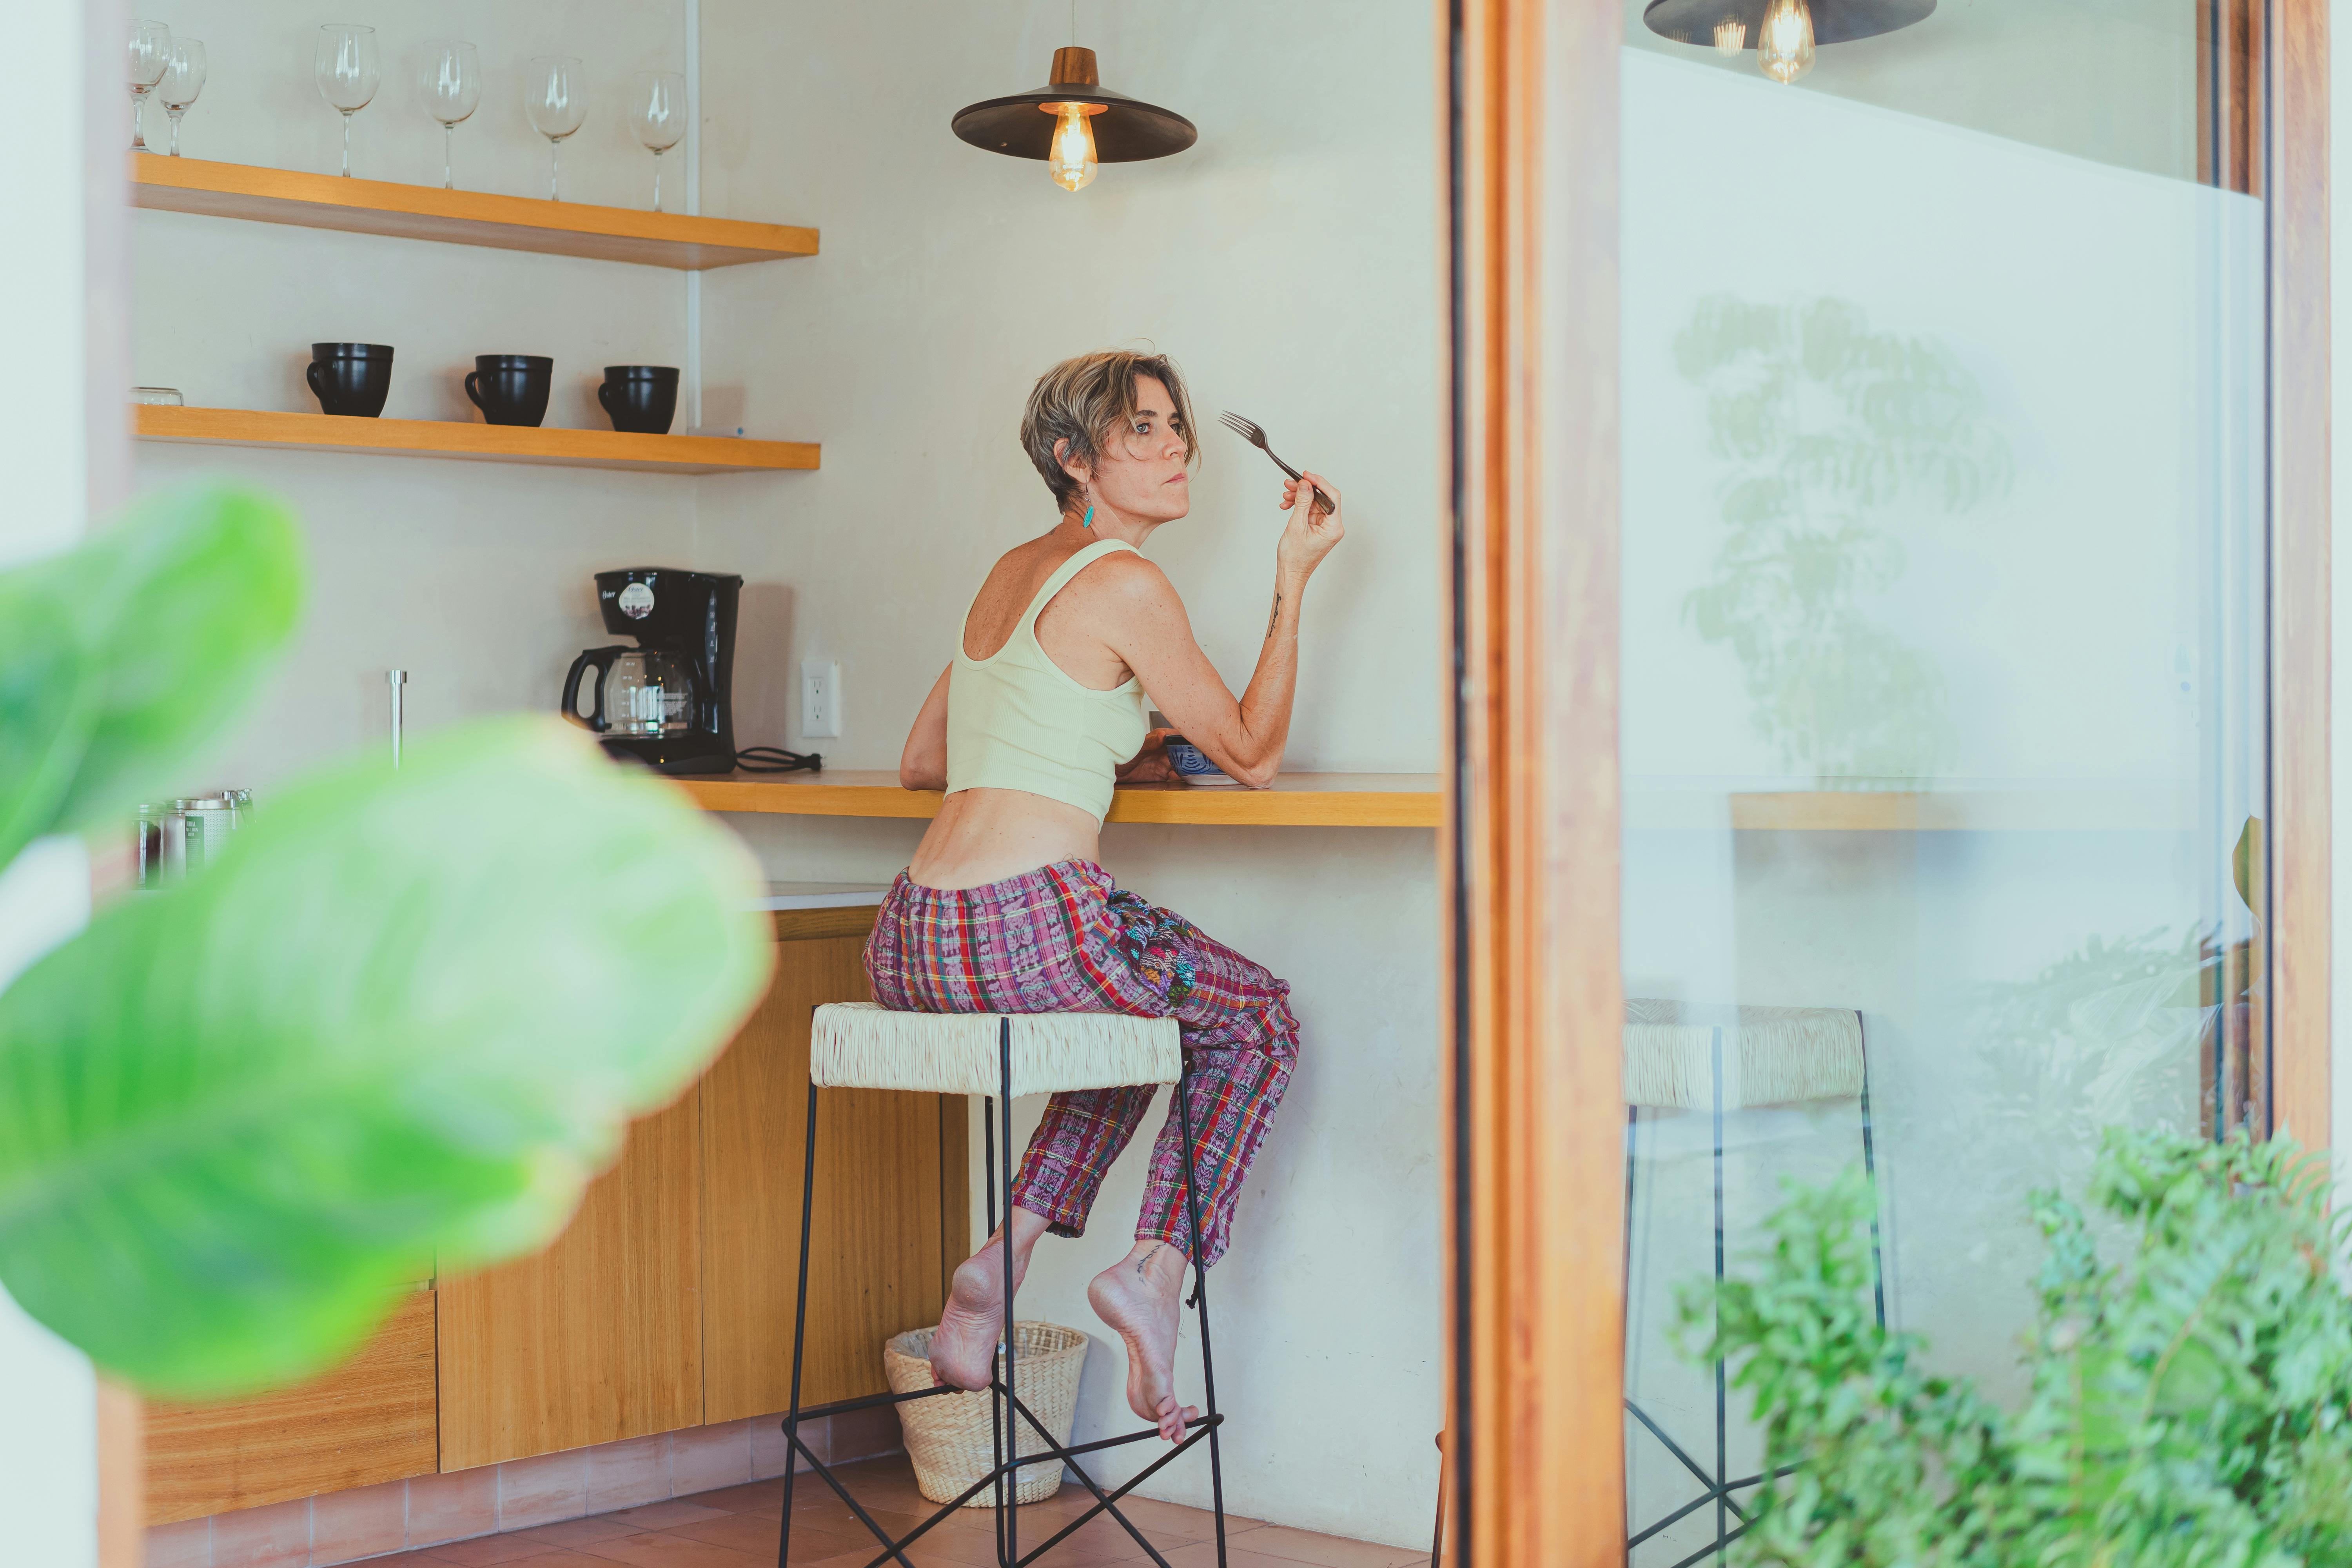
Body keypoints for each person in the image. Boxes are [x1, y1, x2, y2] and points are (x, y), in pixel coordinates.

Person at [865, 348, 1345, 1444]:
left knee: (1134, 1018)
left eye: (1177, 428)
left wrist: (1108, 747)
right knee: (1254, 1019)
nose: (1176, 448)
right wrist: (1295, 576)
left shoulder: (1010, 570)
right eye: (1142, 431)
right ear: (1071, 458)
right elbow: (1257, 753)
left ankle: (1007, 1256)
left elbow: (920, 759)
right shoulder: (1126, 581)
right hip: (1023, 923)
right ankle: (1149, 1268)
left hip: (915, 933)